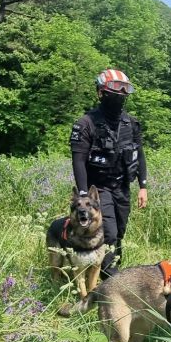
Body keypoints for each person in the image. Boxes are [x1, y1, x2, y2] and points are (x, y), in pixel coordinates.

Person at [70, 69, 148, 278]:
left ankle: (109, 269)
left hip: (122, 186)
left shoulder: (131, 123)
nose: (118, 99)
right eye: (113, 95)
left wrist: (143, 186)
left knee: (119, 232)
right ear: (100, 93)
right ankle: (110, 278)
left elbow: (139, 154)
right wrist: (84, 194)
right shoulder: (86, 123)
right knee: (109, 232)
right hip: (99, 188)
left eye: (122, 95)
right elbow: (78, 160)